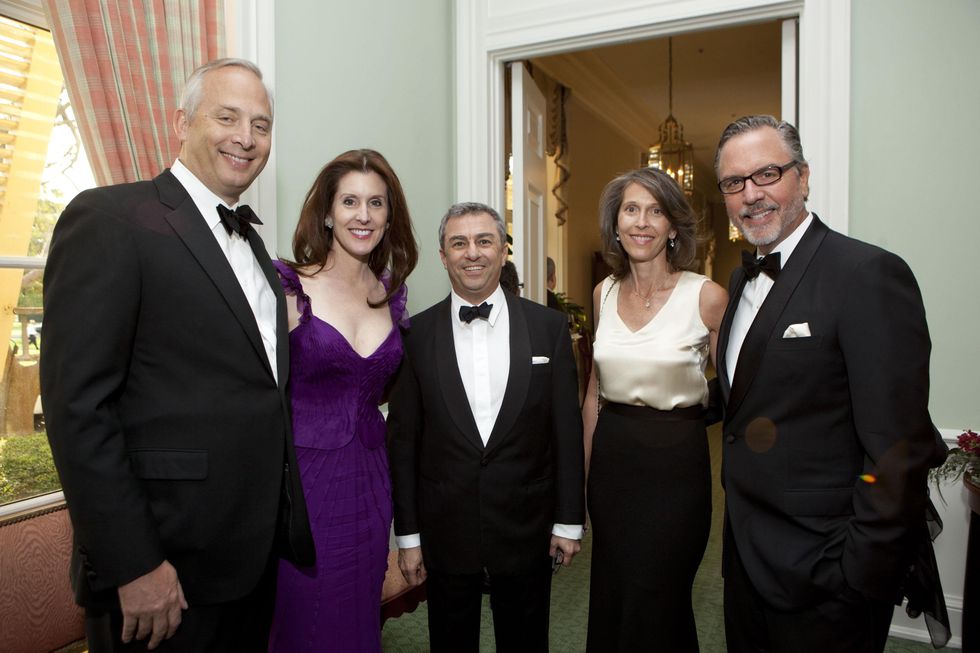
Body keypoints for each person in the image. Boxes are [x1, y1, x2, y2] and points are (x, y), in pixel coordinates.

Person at [40, 59, 314, 652]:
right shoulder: (110, 219)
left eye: (261, 124)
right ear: (181, 122)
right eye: (227, 117)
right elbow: (78, 409)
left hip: (247, 560)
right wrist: (132, 564)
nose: (246, 137)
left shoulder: (256, 247)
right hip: (161, 570)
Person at [714, 115, 948, 653]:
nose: (751, 194)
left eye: (767, 174)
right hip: (745, 561)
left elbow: (897, 446)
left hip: (828, 574)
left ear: (803, 176)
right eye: (734, 183)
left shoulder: (867, 274)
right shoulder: (739, 280)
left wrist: (860, 573)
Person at [387, 202, 585, 653]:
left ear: (502, 251)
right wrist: (409, 537)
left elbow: (566, 434)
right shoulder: (414, 336)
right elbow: (404, 443)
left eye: (483, 241)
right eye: (459, 243)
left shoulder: (548, 328)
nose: (471, 253)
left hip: (527, 526)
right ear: (442, 255)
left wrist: (569, 521)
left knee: (526, 642)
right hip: (444, 531)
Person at [267, 149, 417, 652]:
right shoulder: (288, 287)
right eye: (350, 201)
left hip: (372, 484)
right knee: (304, 618)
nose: (364, 215)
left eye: (376, 203)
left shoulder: (391, 294)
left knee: (358, 618)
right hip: (304, 487)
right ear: (327, 213)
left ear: (389, 216)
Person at [581, 167, 727, 652]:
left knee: (659, 596)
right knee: (613, 591)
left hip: (676, 470)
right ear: (616, 223)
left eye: (655, 210)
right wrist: (583, 479)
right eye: (631, 209)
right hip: (613, 467)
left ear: (672, 226)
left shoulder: (706, 296)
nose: (642, 222)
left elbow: (742, 393)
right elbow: (593, 394)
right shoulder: (603, 293)